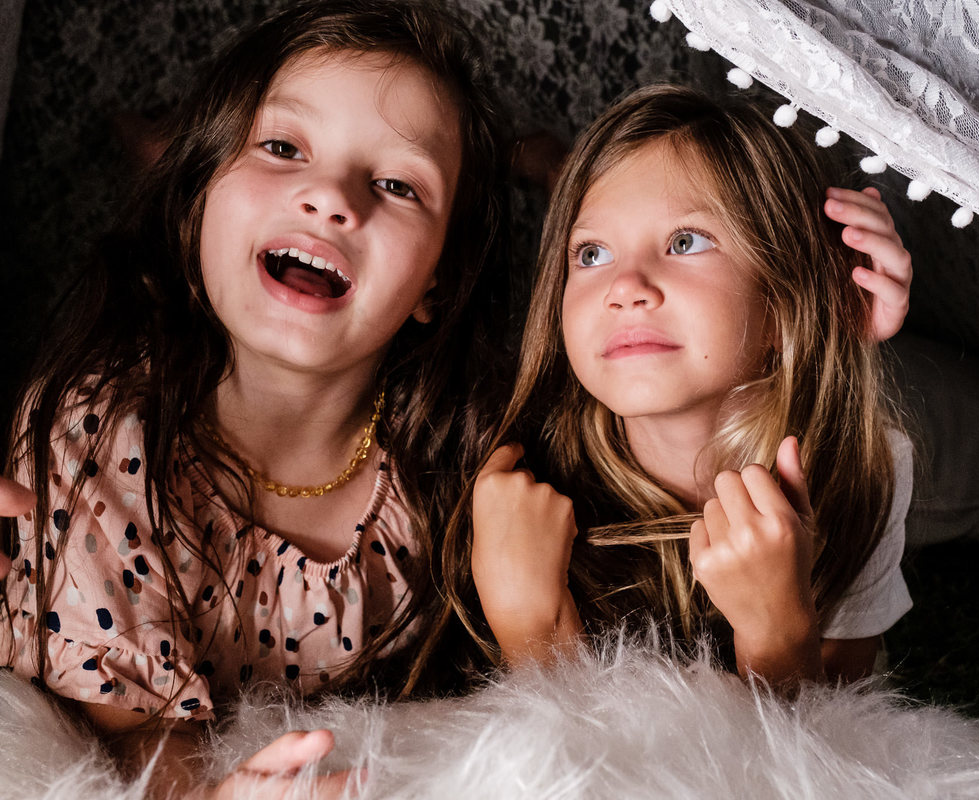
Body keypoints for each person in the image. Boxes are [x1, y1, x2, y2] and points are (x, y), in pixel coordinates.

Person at [1, 1, 510, 796]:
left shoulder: (453, 458)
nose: (333, 198)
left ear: (436, 283)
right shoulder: (101, 426)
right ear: (201, 195)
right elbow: (134, 739)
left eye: (396, 184)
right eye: (282, 147)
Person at [461, 84, 914, 691]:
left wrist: (778, 633)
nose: (625, 285)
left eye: (685, 241)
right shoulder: (516, 475)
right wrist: (528, 623)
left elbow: (830, 743)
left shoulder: (865, 464)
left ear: (783, 298)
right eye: (590, 252)